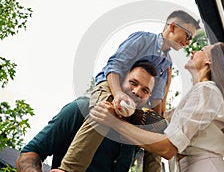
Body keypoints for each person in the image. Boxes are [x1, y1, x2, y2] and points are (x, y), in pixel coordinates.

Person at [90, 42, 224, 172]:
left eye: (202, 49)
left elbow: (168, 147)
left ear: (209, 61)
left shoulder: (207, 91)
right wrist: (165, 84)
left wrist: (115, 124)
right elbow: (162, 121)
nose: (194, 51)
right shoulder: (201, 95)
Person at [57, 10, 200, 172]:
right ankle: (68, 169)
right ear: (173, 27)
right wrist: (118, 94)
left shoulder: (166, 64)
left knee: (160, 129)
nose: (188, 42)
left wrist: (159, 124)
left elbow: (156, 102)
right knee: (107, 110)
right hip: (111, 87)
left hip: (136, 103)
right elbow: (113, 67)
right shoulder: (143, 39)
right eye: (188, 36)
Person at [16, 61, 158, 172]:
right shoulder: (81, 109)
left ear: (148, 97)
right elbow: (29, 153)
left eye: (145, 90)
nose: (137, 92)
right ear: (119, 81)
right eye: (133, 83)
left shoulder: (136, 135)